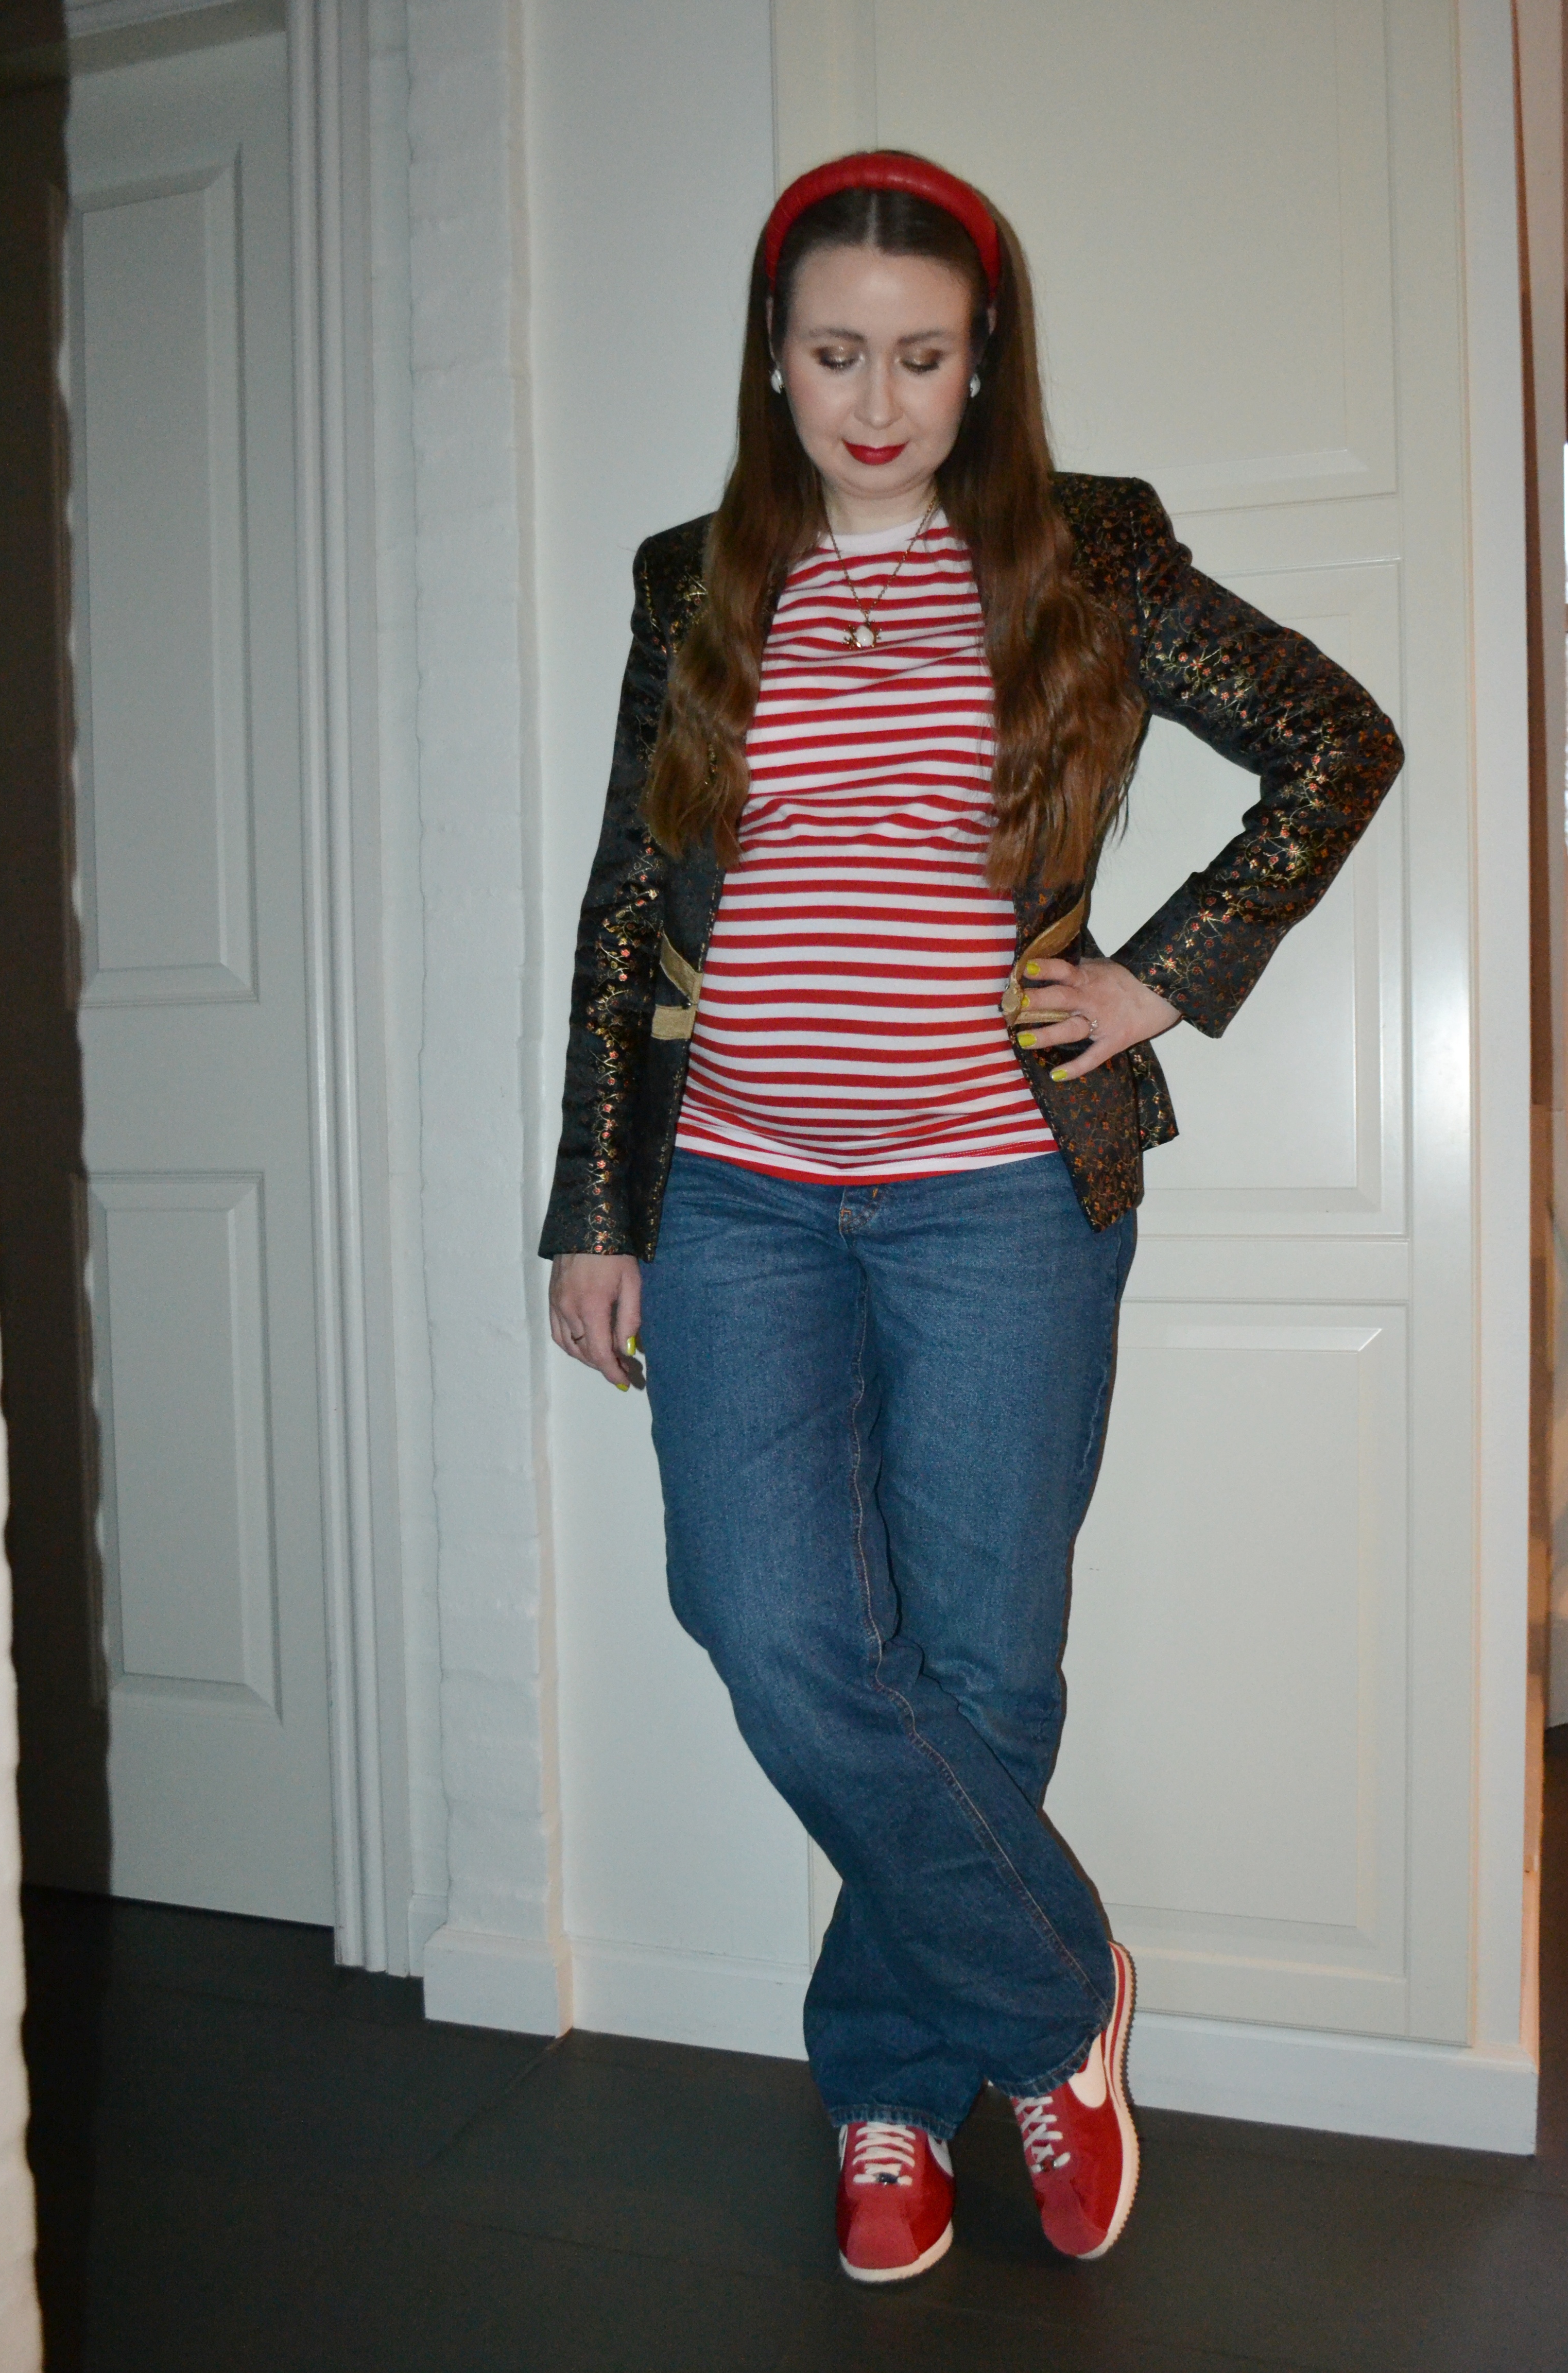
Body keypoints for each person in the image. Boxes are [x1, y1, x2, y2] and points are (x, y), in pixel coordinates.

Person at [541, 150, 1402, 2283]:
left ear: (983, 364)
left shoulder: (1087, 552)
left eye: (921, 358)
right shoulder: (690, 584)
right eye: (835, 352)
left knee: (982, 1666)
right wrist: (594, 1205)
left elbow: (1333, 740)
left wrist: (1163, 977)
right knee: (767, 1624)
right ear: (771, 356)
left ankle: (894, 2099)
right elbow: (633, 902)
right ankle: (1055, 1994)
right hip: (737, 1193)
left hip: (1001, 1195)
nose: (876, 400)